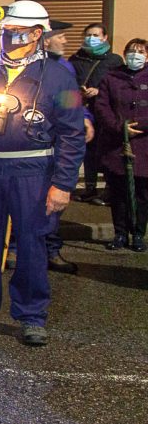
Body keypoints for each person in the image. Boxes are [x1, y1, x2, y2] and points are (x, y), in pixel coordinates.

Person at [0, 1, 85, 347]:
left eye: (17, 32)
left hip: (34, 172)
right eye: (4, 32)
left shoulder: (60, 76)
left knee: (32, 243)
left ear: (38, 34)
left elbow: (72, 132)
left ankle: (32, 316)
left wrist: (63, 184)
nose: (9, 38)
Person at [39, 21, 94, 273]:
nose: (65, 41)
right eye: (60, 36)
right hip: (31, 146)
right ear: (45, 39)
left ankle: (51, 250)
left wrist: (84, 118)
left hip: (56, 146)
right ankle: (16, 249)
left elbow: (71, 102)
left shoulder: (63, 68)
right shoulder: (27, 66)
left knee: (53, 202)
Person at [95, 38, 148, 251]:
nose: (135, 55)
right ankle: (119, 233)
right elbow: (102, 106)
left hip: (144, 144)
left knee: (142, 193)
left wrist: (142, 125)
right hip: (117, 143)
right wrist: (120, 127)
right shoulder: (111, 77)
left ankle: (138, 233)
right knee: (118, 193)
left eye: (141, 51)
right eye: (132, 51)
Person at [69, 23, 124, 205]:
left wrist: (99, 91)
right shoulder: (75, 59)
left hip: (105, 113)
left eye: (95, 35)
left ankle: (109, 189)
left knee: (107, 151)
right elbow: (66, 85)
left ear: (105, 37)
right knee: (87, 151)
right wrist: (80, 90)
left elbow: (119, 86)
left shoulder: (114, 61)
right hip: (83, 112)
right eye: (88, 35)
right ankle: (90, 188)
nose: (91, 38)